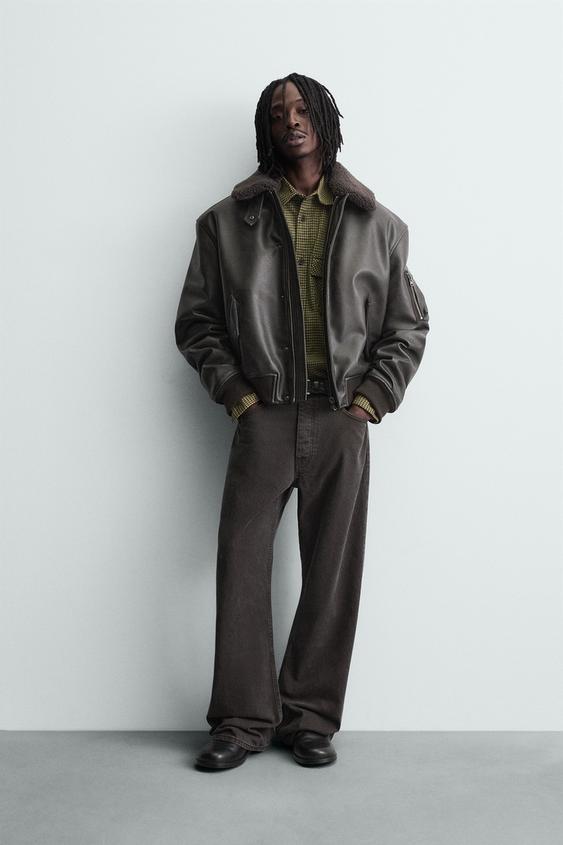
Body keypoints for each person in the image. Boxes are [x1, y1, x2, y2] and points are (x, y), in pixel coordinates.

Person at [175, 72, 430, 770]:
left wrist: (370, 400)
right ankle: (240, 721)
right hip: (263, 415)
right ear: (266, 129)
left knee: (331, 572)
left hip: (342, 416)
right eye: (276, 112)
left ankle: (310, 718)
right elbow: (197, 323)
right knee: (242, 565)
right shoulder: (225, 223)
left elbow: (407, 326)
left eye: (300, 108)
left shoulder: (379, 226)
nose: (290, 120)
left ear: (323, 118)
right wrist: (239, 395)